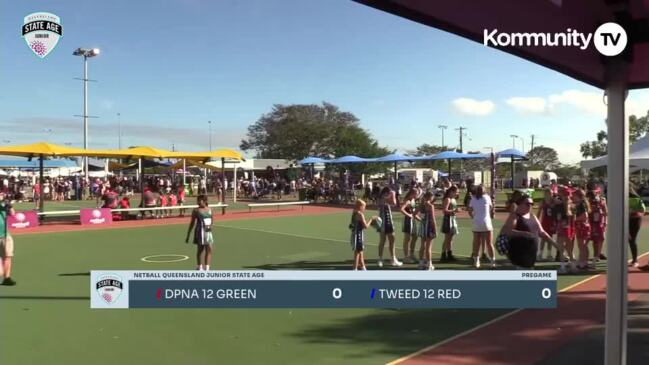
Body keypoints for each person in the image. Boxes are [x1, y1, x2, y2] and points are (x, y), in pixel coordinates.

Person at [502, 193, 570, 272]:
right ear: (520, 204)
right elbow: (507, 231)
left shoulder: (532, 216)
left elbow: (542, 232)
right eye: (527, 204)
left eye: (531, 204)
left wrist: (556, 245)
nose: (530, 206)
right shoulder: (515, 216)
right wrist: (522, 233)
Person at [468, 185, 496, 268]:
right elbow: (491, 208)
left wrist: (474, 217)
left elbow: (469, 210)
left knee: (476, 243)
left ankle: (476, 262)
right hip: (487, 223)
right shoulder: (487, 197)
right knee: (489, 243)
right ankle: (492, 263)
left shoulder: (473, 198)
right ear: (484, 191)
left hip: (477, 223)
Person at [185, 195, 214, 271]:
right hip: (200, 231)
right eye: (197, 200)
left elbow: (212, 220)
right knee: (200, 250)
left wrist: (210, 226)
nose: (197, 202)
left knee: (210, 249)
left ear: (204, 201)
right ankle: (199, 266)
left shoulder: (210, 209)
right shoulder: (196, 210)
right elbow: (192, 223)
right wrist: (188, 235)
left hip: (208, 232)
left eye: (199, 200)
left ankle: (207, 268)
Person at [377, 187, 402, 267]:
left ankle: (392, 258)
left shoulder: (384, 197)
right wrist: (393, 194)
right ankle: (381, 259)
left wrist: (392, 194)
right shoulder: (383, 198)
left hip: (388, 219)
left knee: (391, 239)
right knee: (383, 240)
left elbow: (392, 204)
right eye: (389, 193)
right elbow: (394, 203)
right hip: (384, 220)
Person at [349, 199, 377, 271]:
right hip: (358, 235)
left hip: (354, 233)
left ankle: (363, 267)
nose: (364, 208)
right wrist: (371, 219)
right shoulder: (360, 214)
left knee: (360, 251)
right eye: (364, 207)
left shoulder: (354, 212)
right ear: (360, 207)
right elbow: (366, 226)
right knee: (358, 251)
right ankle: (354, 268)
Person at [416, 191, 437, 270]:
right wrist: (435, 229)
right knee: (429, 247)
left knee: (422, 246)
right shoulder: (431, 206)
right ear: (430, 197)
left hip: (422, 226)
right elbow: (433, 219)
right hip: (429, 227)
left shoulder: (421, 205)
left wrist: (421, 220)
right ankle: (429, 264)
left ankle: (421, 263)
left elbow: (414, 214)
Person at [572, 189, 592, 270]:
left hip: (582, 226)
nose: (573, 197)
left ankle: (582, 262)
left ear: (579, 196)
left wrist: (575, 219)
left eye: (574, 195)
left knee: (582, 245)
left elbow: (585, 216)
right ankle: (584, 261)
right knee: (583, 245)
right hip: (581, 225)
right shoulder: (579, 204)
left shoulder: (582, 205)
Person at [588, 189, 607, 265]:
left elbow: (606, 212)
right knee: (594, 240)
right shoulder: (588, 202)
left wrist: (605, 221)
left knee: (601, 238)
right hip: (592, 222)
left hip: (600, 222)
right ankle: (596, 255)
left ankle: (598, 254)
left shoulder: (602, 201)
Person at [399, 189, 419, 263]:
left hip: (412, 220)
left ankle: (411, 254)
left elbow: (413, 212)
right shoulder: (407, 201)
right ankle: (406, 256)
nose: (417, 195)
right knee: (407, 239)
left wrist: (419, 219)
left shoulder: (413, 200)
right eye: (416, 193)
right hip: (407, 221)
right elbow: (401, 209)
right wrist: (409, 215)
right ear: (412, 193)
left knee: (415, 236)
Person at [0, 192, 16, 285]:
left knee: (8, 256)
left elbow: (13, 213)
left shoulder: (3, 204)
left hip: (5, 235)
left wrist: (8, 204)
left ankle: (7, 278)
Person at [440, 185, 459, 262]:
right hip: (447, 220)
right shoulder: (447, 199)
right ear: (451, 192)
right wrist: (454, 211)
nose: (457, 193)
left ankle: (450, 254)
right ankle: (443, 255)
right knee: (447, 238)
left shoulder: (453, 199)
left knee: (451, 238)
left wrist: (455, 211)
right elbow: (444, 211)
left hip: (452, 219)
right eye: (456, 192)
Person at [555, 187, 575, 261]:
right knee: (568, 247)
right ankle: (572, 264)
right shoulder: (572, 205)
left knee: (561, 246)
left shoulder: (561, 205)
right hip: (570, 227)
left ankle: (563, 265)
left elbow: (559, 217)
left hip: (564, 226)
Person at [537, 188, 557, 261]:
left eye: (551, 193)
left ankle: (549, 254)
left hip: (552, 222)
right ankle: (540, 254)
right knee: (543, 238)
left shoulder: (554, 201)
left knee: (550, 238)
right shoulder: (543, 202)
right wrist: (537, 221)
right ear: (545, 194)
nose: (550, 195)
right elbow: (539, 212)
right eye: (548, 193)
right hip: (544, 221)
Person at [629, 185, 645, 268]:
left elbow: (643, 210)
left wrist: (633, 210)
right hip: (624, 220)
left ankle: (635, 260)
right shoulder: (620, 198)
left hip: (635, 220)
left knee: (632, 239)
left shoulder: (637, 199)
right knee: (624, 239)